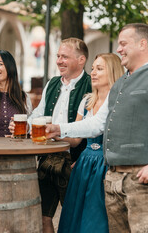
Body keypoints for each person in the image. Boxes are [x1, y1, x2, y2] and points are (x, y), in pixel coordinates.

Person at [47, 23, 148, 233]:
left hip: (139, 178)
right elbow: (97, 124)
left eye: (123, 44)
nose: (119, 49)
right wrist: (59, 129)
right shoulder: (120, 84)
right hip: (113, 178)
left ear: (143, 44)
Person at [9, 38, 91, 233]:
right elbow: (39, 115)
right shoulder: (53, 83)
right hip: (47, 158)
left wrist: (85, 156)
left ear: (81, 60)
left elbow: (96, 127)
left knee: (73, 219)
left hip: (75, 159)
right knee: (43, 215)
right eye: (58, 56)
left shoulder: (90, 85)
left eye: (65, 57)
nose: (59, 61)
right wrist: (24, 126)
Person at [57, 53, 124, 233]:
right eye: (93, 68)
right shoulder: (87, 100)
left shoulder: (119, 101)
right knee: (75, 216)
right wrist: (53, 133)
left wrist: (58, 128)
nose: (93, 73)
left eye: (99, 69)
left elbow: (97, 128)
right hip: (85, 163)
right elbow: (76, 138)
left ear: (112, 71)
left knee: (96, 219)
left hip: (106, 164)